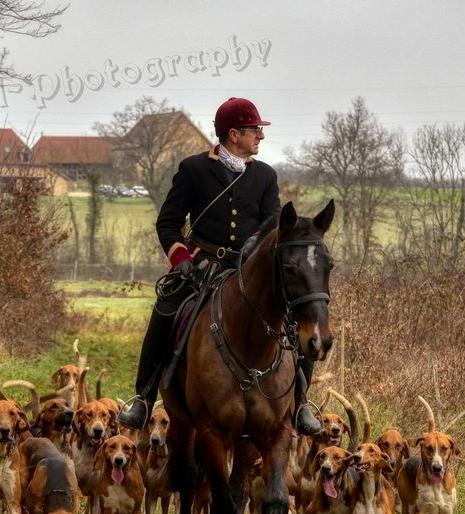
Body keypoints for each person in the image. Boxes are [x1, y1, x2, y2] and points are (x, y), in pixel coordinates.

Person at [117, 97, 323, 437]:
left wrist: (253, 255)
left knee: (295, 317)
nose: (261, 136)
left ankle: (301, 404)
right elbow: (168, 224)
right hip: (201, 265)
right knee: (166, 307)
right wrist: (183, 260)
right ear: (234, 134)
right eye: (255, 130)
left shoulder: (265, 175)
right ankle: (143, 396)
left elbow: (272, 221)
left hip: (250, 268)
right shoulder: (194, 169)